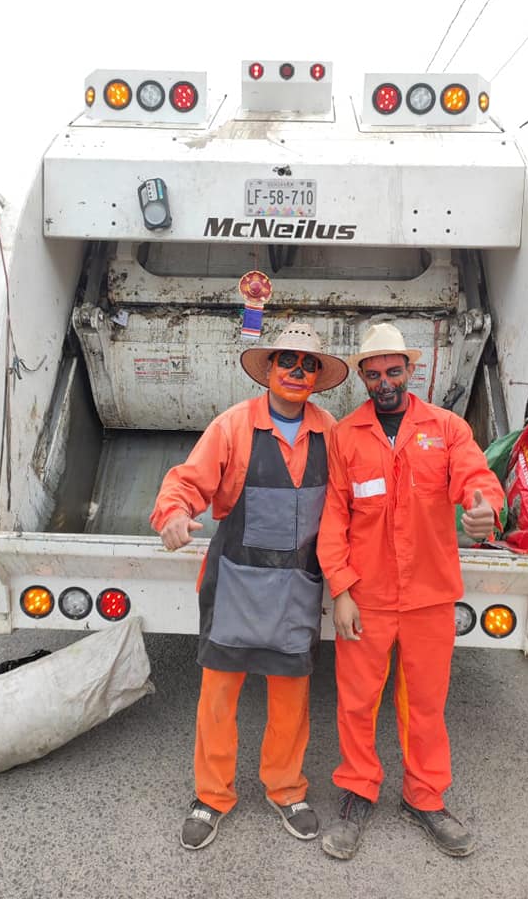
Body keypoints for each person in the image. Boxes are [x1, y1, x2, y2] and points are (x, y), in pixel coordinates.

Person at [150, 322, 349, 851]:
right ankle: (212, 797)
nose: (297, 371)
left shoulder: (333, 432)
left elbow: (351, 504)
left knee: (291, 698)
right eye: (287, 360)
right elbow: (186, 482)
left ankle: (286, 789)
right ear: (270, 368)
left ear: (318, 377)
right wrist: (172, 513)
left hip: (297, 589)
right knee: (218, 696)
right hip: (235, 581)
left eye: (308, 365)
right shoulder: (233, 426)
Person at [317, 322, 505, 861]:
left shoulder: (445, 429)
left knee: (425, 704)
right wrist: (342, 589)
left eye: (393, 371)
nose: (384, 381)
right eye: (373, 374)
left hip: (428, 595)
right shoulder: (344, 437)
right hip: (368, 596)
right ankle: (357, 793)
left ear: (410, 370)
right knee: (357, 703)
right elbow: (334, 517)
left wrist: (482, 508)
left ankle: (424, 797)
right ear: (362, 377)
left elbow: (475, 478)